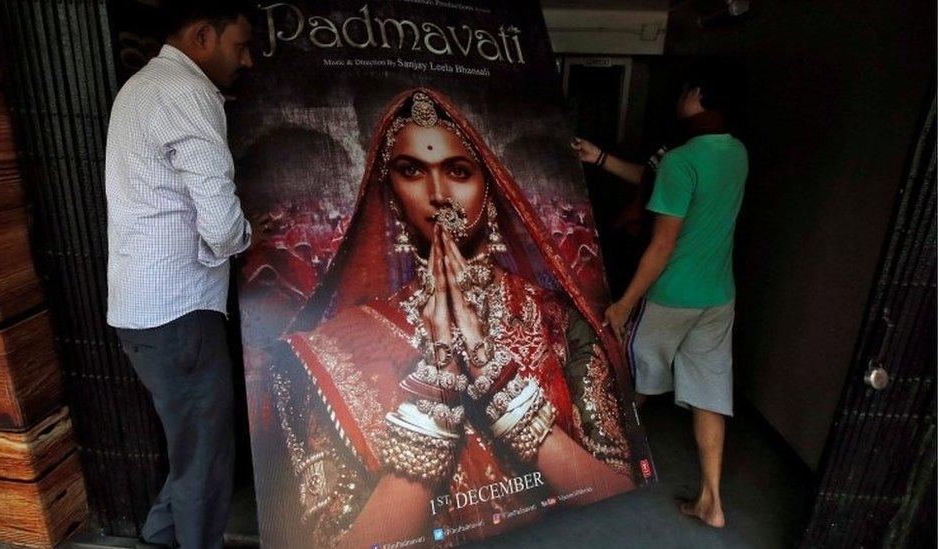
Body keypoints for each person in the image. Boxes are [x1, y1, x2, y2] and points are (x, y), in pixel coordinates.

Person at [266, 89, 650, 548]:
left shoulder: (556, 321)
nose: (438, 195)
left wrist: (500, 386)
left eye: (458, 171)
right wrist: (436, 397)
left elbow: (619, 495)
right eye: (410, 171)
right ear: (390, 191)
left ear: (488, 186)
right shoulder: (335, 348)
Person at [104, 1, 263, 547]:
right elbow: (220, 226)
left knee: (191, 442)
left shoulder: (142, 88)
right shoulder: (188, 93)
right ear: (202, 35)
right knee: (206, 454)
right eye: (240, 45)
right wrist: (249, 235)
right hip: (179, 311)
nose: (247, 60)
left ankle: (160, 532)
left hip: (139, 310)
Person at [574, 66, 748, 528]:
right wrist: (601, 158)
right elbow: (654, 180)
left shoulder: (681, 159)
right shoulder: (735, 152)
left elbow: (663, 242)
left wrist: (625, 302)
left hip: (671, 295)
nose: (680, 99)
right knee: (710, 395)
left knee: (629, 376)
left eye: (685, 92)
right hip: (718, 296)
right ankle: (712, 501)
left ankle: (596, 469)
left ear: (697, 95)